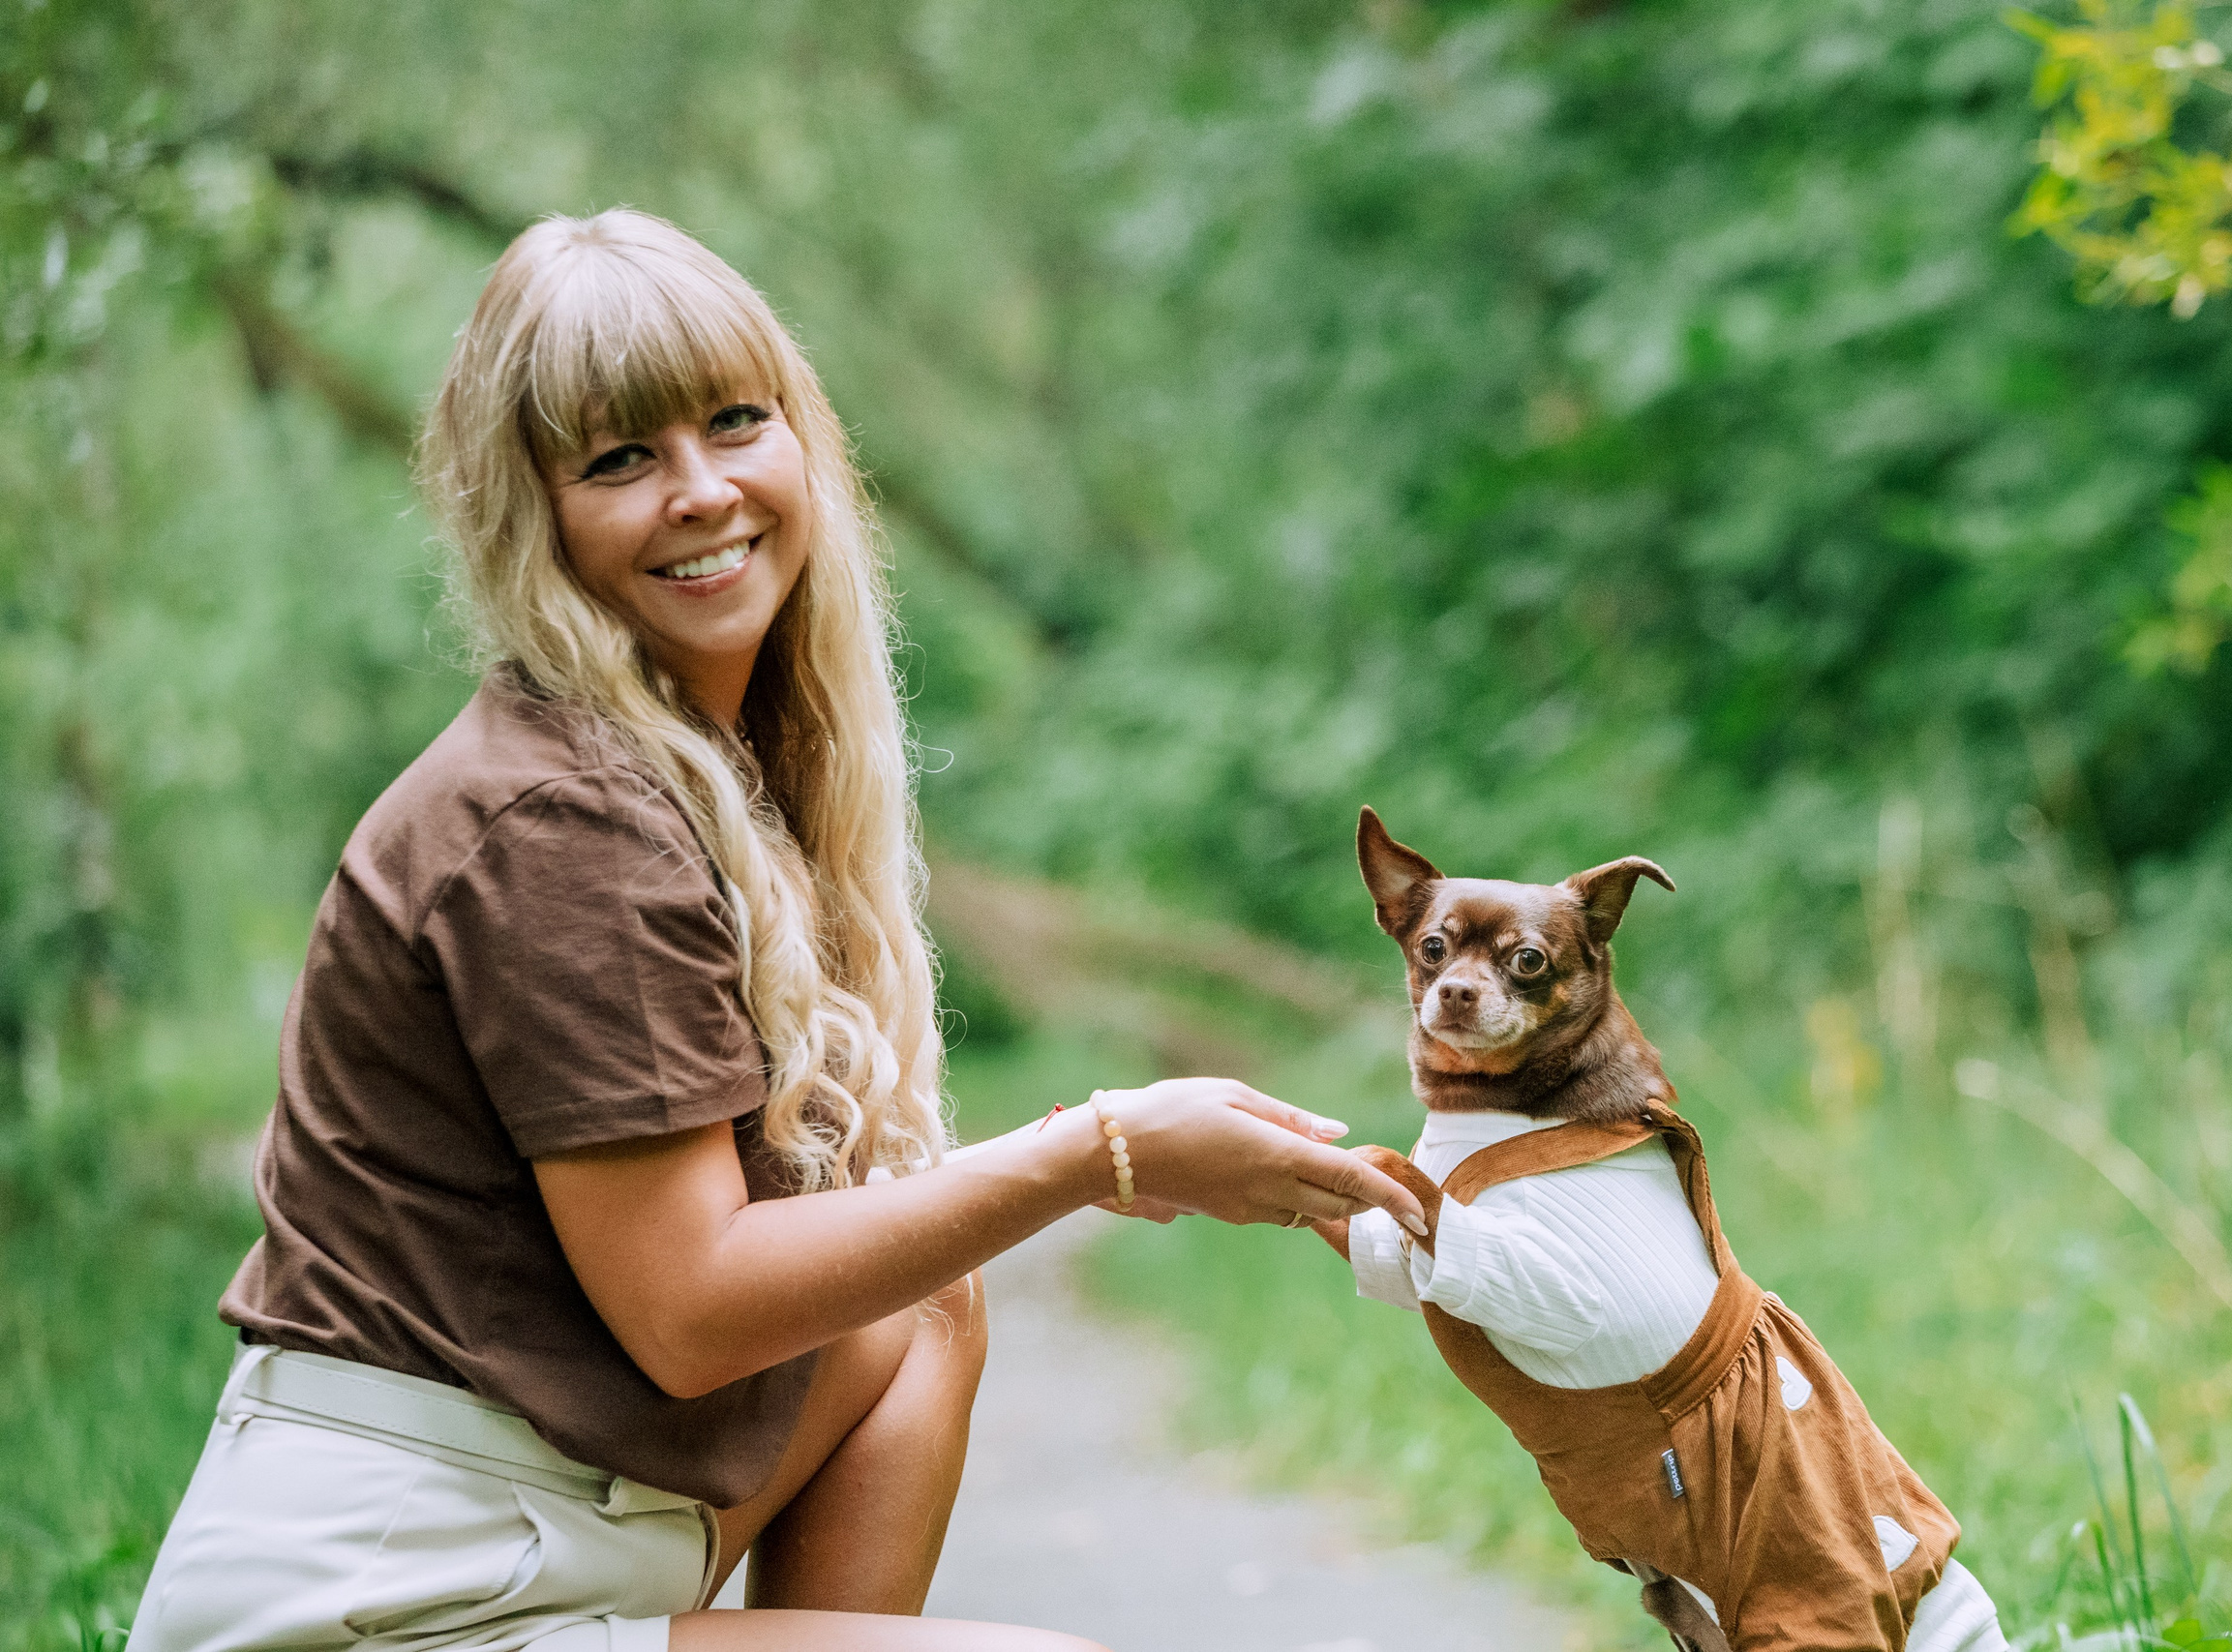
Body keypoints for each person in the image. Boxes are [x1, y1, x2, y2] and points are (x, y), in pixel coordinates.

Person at [125, 208, 1424, 1652]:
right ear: (532, 516)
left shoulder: (706, 775)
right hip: (376, 1596)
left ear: (800, 437)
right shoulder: (561, 819)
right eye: (620, 459)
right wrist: (1096, 1150)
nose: (699, 491)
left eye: (733, 422)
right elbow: (691, 1312)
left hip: (527, 1527)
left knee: (922, 1314)